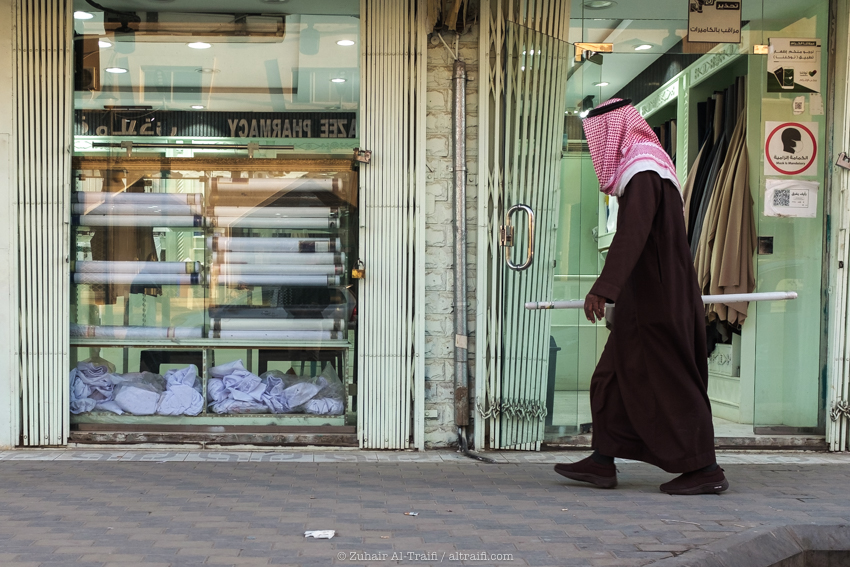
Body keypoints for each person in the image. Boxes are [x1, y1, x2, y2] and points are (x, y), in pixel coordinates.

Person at [553, 98, 728, 495]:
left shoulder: (643, 170)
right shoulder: (648, 167)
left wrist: (604, 287)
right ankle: (602, 460)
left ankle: (705, 468)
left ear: (613, 132)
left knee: (673, 381)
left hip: (659, 299)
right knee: (612, 377)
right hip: (648, 295)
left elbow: (633, 233)